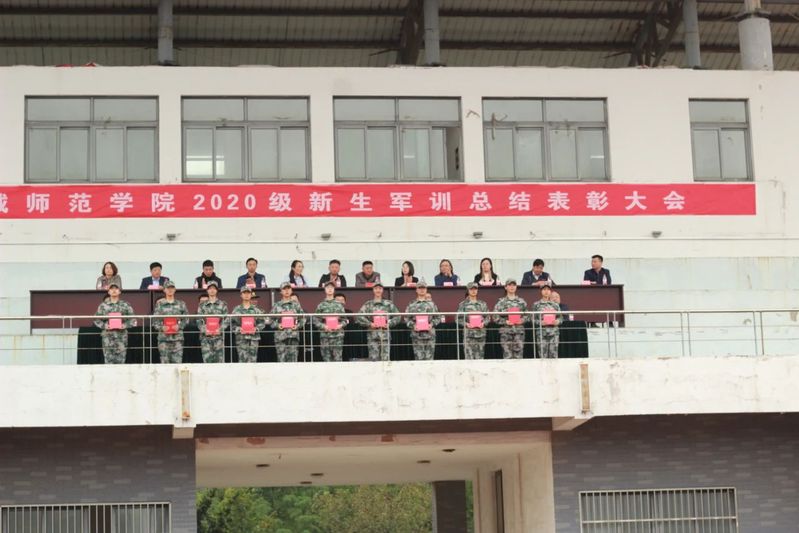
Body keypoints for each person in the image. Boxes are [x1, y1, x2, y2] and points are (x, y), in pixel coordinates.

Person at [93, 283, 136, 364]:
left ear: (119, 291)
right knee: (108, 361)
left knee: (121, 361)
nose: (114, 290)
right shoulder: (103, 305)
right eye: (111, 289)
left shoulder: (125, 305)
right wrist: (105, 326)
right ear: (108, 292)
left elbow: (133, 319)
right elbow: (96, 319)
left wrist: (124, 325)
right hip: (108, 336)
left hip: (121, 336)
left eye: (116, 288)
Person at [356, 282, 400, 361]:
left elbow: (398, 316)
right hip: (372, 336)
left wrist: (389, 324)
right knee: (374, 360)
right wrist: (370, 324)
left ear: (382, 290)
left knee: (385, 360)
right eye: (376, 288)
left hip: (385, 336)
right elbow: (359, 317)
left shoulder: (388, 304)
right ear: (373, 290)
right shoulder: (368, 304)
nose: (378, 290)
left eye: (380, 288)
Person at [152, 280, 189, 364]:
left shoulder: (181, 304)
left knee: (177, 363)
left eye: (172, 288)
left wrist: (179, 326)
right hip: (163, 339)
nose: (170, 290)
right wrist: (162, 327)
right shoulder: (160, 304)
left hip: (177, 338)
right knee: (165, 364)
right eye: (168, 288)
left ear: (175, 290)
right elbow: (155, 320)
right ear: (164, 290)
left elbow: (186, 319)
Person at [404, 281, 441, 361]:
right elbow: (406, 318)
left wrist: (431, 324)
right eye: (420, 288)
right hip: (417, 336)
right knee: (419, 360)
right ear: (416, 290)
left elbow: (438, 317)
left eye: (423, 288)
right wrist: (413, 325)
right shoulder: (411, 304)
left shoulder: (432, 304)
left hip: (430, 335)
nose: (422, 290)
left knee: (429, 360)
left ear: (426, 290)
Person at [492, 279, 529, 359]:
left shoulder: (522, 302)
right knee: (507, 356)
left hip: (519, 332)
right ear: (505, 287)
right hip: (506, 332)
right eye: (510, 285)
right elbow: (494, 316)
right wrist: (505, 321)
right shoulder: (501, 302)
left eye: (514, 285)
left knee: (519, 357)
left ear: (516, 287)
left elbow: (528, 316)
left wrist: (522, 320)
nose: (512, 287)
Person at [313, 281, 349, 362]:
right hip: (325, 336)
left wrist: (339, 326)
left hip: (337, 336)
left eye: (331, 287)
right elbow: (315, 320)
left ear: (334, 289)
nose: (329, 289)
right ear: (325, 289)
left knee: (338, 359)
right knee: (326, 360)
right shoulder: (321, 305)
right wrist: (324, 326)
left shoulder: (339, 305)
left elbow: (345, 320)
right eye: (328, 287)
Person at [270, 282, 305, 362]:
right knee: (281, 361)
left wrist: (297, 326)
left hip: (293, 336)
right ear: (281, 292)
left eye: (288, 288)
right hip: (280, 337)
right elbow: (270, 319)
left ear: (291, 290)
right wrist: (277, 325)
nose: (286, 291)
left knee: (293, 362)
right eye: (284, 289)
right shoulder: (276, 305)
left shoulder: (296, 305)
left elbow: (303, 318)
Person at [196, 281, 229, 363]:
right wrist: (204, 329)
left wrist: (220, 329)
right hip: (205, 338)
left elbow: (227, 319)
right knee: (207, 361)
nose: (212, 290)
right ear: (207, 290)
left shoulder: (222, 304)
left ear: (217, 290)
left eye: (214, 288)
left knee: (219, 362)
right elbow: (198, 320)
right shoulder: (202, 305)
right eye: (210, 288)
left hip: (219, 337)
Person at [231, 287, 266, 363]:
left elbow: (262, 322)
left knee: (253, 361)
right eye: (244, 293)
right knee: (242, 360)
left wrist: (256, 328)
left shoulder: (256, 310)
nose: (246, 295)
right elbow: (232, 324)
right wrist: (238, 328)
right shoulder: (236, 310)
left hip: (253, 339)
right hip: (241, 338)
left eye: (248, 293)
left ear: (251, 295)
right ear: (241, 295)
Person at [456, 282, 489, 359]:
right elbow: (457, 318)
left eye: (475, 289)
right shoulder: (463, 304)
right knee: (469, 359)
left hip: (480, 335)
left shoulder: (483, 304)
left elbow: (488, 317)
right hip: (469, 335)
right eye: (471, 289)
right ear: (468, 290)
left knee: (480, 359)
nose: (473, 291)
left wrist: (484, 323)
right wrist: (466, 324)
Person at [533, 285, 561, 359]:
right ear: (541, 291)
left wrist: (557, 321)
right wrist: (540, 322)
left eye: (548, 290)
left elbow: (560, 318)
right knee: (542, 357)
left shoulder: (555, 305)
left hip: (554, 333)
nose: (546, 291)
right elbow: (532, 319)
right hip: (541, 334)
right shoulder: (536, 305)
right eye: (544, 289)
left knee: (553, 357)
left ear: (550, 291)